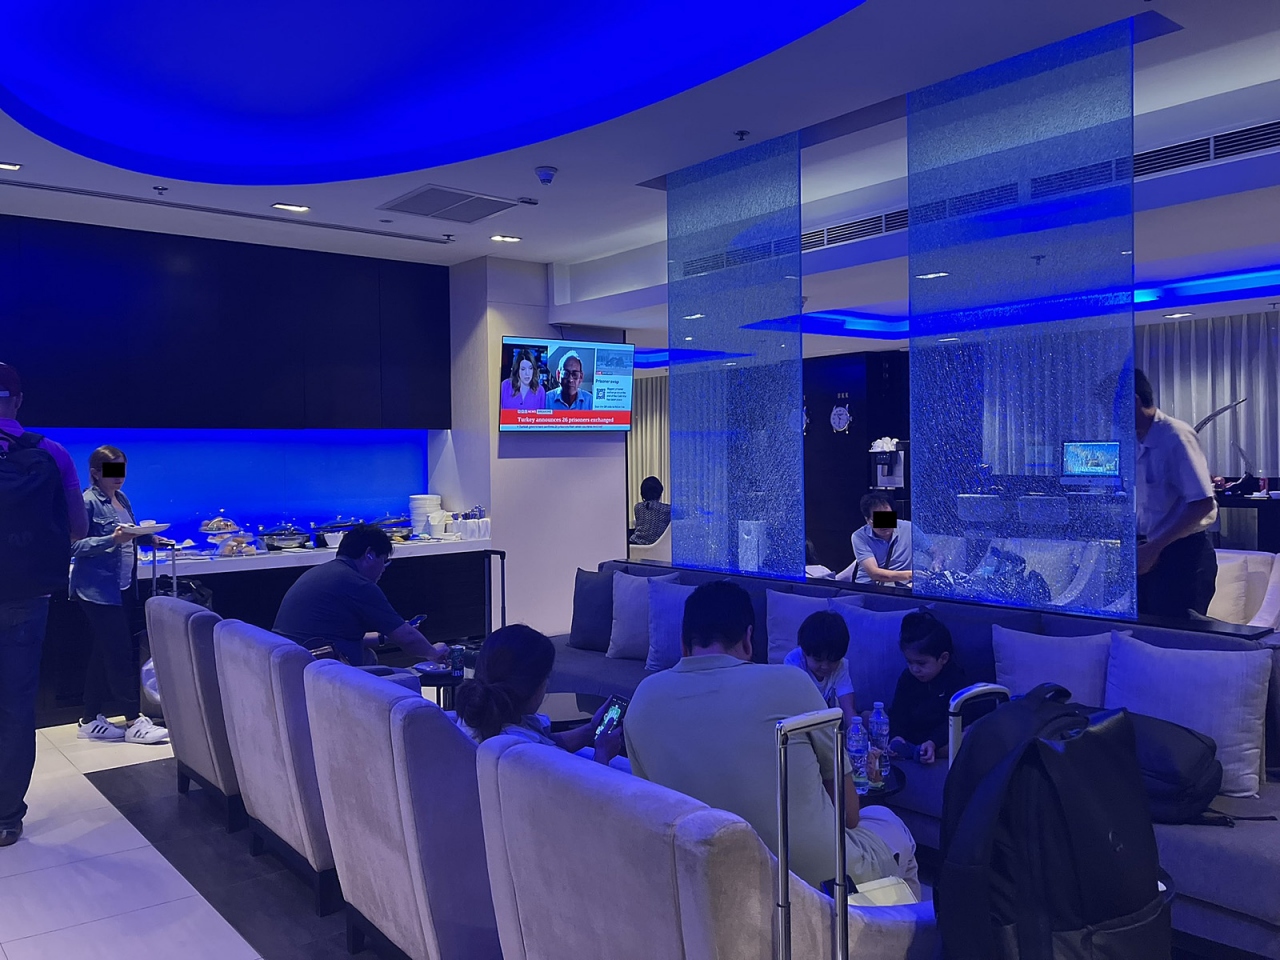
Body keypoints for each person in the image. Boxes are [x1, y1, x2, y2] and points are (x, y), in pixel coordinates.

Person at [625, 581, 918, 894]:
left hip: (708, 882)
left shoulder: (643, 701)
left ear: (684, 645)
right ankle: (903, 924)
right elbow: (849, 815)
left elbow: (656, 812)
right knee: (888, 823)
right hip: (813, 884)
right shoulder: (793, 683)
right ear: (748, 639)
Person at [0, 362, 88, 847]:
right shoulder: (53, 453)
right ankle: (6, 817)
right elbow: (77, 527)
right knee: (16, 704)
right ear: (17, 400)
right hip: (27, 596)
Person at [70, 446, 171, 744]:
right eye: (112, 471)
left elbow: (129, 535)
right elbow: (74, 546)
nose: (119, 477)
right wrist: (111, 540)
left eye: (121, 469)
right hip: (97, 590)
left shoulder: (122, 499)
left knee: (103, 651)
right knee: (119, 653)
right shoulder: (87, 502)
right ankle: (132, 720)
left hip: (122, 586)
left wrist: (149, 538)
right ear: (95, 473)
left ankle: (89, 718)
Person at [273, 524, 450, 666]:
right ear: (370, 554)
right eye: (384, 561)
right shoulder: (357, 583)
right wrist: (433, 653)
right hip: (319, 668)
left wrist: (385, 637)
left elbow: (338, 636)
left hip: (292, 662)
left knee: (368, 656)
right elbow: (407, 638)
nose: (383, 570)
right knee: (404, 680)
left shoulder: (324, 572)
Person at [454, 624, 624, 766]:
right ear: (532, 688)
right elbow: (587, 793)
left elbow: (548, 742)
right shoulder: (527, 755)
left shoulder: (478, 714)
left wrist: (591, 729)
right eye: (546, 678)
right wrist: (602, 754)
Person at [1134, 368, 1218, 618]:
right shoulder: (1135, 440)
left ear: (1134, 401)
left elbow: (1202, 503)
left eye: (1112, 409)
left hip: (1183, 555)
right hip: (1150, 552)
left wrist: (1154, 548)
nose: (1110, 418)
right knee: (1144, 630)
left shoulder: (1175, 436)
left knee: (1176, 632)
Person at [887, 611, 968, 765]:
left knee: (967, 734)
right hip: (912, 735)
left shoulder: (955, 678)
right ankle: (911, 750)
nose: (915, 669)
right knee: (869, 716)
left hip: (940, 738)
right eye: (909, 662)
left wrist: (933, 742)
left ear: (943, 658)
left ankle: (927, 751)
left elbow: (956, 719)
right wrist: (896, 736)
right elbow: (898, 712)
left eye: (921, 663)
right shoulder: (907, 678)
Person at [836, 493, 937, 585]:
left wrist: (937, 561)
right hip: (871, 587)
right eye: (879, 519)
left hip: (902, 586)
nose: (885, 524)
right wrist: (911, 575)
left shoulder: (908, 528)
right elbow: (874, 573)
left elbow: (935, 552)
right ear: (867, 520)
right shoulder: (859, 536)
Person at [784, 611, 857, 729]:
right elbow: (795, 706)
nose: (825, 666)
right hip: (798, 718)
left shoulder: (841, 665)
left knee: (865, 717)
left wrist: (855, 733)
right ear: (804, 651)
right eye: (818, 660)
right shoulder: (794, 662)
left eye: (832, 661)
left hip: (824, 719)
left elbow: (848, 709)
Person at [629, 476, 670, 545]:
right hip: (656, 546)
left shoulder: (638, 507)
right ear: (660, 492)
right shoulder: (667, 509)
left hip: (634, 544)